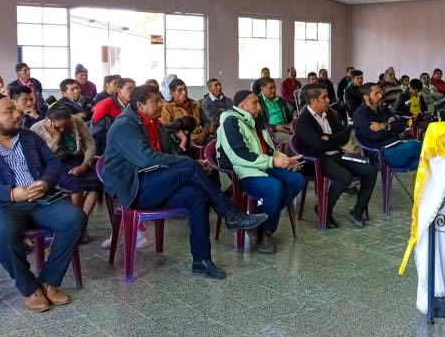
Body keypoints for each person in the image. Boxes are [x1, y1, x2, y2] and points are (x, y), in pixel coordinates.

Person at [105, 85, 267, 278]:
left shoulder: (153, 122)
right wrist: (189, 164)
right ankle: (231, 214)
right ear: (140, 105)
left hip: (152, 181)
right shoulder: (124, 125)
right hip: (134, 188)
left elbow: (167, 155)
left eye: (160, 100)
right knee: (189, 167)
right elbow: (146, 158)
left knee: (196, 195)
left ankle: (201, 260)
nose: (161, 105)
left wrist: (194, 163)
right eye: (155, 102)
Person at [0, 94, 86, 312]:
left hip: (40, 199)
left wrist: (45, 182)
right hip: (0, 205)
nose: (18, 114)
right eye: (9, 111)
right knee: (4, 233)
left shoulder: (28, 137)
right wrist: (11, 194)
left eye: (15, 109)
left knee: (75, 218)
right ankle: (29, 288)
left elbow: (53, 164)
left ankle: (49, 281)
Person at [217, 90, 304, 254]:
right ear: (242, 105)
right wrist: (273, 161)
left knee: (297, 180)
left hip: (261, 166)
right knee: (274, 187)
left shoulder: (256, 120)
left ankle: (257, 221)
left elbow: (268, 150)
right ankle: (267, 231)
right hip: (241, 172)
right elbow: (239, 156)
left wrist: (285, 159)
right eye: (255, 103)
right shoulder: (230, 122)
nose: (259, 107)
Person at [294, 84, 377, 228]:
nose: (328, 100)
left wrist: (328, 137)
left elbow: (344, 135)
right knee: (344, 176)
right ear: (313, 101)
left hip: (337, 155)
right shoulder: (303, 121)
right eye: (324, 97)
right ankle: (324, 210)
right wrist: (333, 140)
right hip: (316, 160)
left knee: (371, 170)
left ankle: (357, 211)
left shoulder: (329, 113)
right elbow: (319, 146)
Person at [31, 104, 100, 244]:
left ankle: (81, 223)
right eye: (59, 127)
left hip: (76, 159)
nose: (62, 129)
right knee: (75, 184)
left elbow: (89, 144)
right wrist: (56, 137)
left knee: (97, 184)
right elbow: (42, 156)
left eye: (66, 126)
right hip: (54, 163)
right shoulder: (37, 129)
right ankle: (76, 225)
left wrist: (85, 165)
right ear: (49, 121)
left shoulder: (76, 121)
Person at [353, 83, 422, 170]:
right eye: (376, 94)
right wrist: (390, 126)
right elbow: (375, 136)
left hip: (394, 144)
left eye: (380, 92)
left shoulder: (382, 108)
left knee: (425, 158)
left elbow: (401, 125)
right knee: (414, 146)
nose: (380, 96)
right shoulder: (360, 115)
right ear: (366, 97)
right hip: (379, 153)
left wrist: (384, 126)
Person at [91, 78, 135, 154]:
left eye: (134, 89)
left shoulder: (135, 105)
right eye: (129, 89)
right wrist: (120, 141)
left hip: (130, 143)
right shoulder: (104, 105)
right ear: (119, 91)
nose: (133, 92)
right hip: (108, 146)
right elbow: (95, 132)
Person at [159, 78, 208, 145]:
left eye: (185, 89)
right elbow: (166, 129)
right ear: (172, 93)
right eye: (180, 90)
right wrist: (189, 136)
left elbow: (206, 122)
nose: (184, 92)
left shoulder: (196, 105)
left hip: (201, 137)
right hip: (181, 141)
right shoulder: (167, 108)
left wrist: (204, 134)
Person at [258, 77, 293, 145]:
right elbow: (258, 123)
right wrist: (275, 128)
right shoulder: (258, 102)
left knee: (303, 135)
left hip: (285, 126)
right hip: (271, 131)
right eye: (270, 88)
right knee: (292, 140)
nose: (273, 90)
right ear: (262, 89)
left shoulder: (280, 100)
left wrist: (291, 124)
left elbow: (289, 115)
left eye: (274, 87)